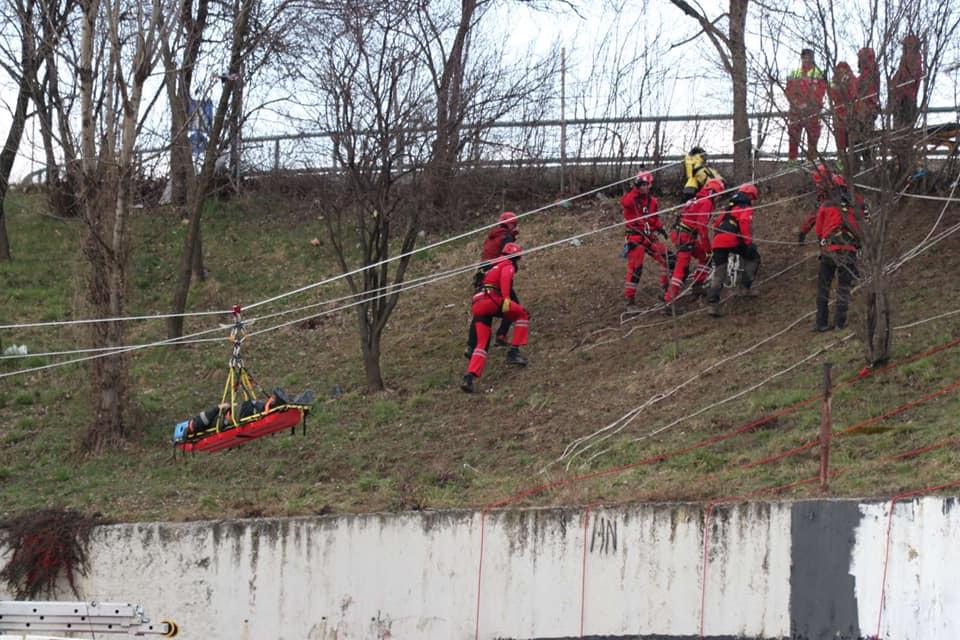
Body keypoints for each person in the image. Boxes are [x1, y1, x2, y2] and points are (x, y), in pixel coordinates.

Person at [462, 242, 529, 393]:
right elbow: (505, 280)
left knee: (482, 343)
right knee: (522, 314)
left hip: (478, 302)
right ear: (516, 256)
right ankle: (514, 352)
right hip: (491, 300)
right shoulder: (507, 264)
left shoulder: (493, 264)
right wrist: (506, 299)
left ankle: (469, 377)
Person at [664, 177, 725, 305]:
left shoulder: (698, 199)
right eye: (719, 195)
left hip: (683, 234)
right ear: (714, 192)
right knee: (682, 267)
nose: (719, 198)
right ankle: (669, 301)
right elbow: (702, 228)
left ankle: (697, 286)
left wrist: (706, 252)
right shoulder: (707, 202)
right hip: (684, 236)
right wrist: (708, 249)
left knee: (704, 257)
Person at [465, 211, 519, 356]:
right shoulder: (506, 237)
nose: (515, 227)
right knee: (514, 306)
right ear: (509, 223)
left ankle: (471, 346)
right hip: (496, 277)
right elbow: (508, 258)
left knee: (480, 311)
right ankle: (501, 336)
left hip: (482, 277)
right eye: (514, 224)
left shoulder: (491, 236)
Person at [813, 175, 862, 331]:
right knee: (843, 288)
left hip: (829, 252)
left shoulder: (825, 206)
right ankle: (840, 323)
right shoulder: (855, 206)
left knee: (823, 288)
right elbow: (862, 229)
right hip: (848, 253)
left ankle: (821, 323)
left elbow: (819, 230)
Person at [705, 183, 761, 315]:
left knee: (719, 273)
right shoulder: (745, 207)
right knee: (754, 257)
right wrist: (748, 243)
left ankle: (712, 305)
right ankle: (744, 288)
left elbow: (717, 224)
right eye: (752, 198)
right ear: (749, 196)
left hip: (718, 242)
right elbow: (744, 223)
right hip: (732, 240)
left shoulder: (728, 209)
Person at [621, 170, 673, 309]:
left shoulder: (652, 201)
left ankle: (666, 288)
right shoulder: (631, 199)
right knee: (636, 269)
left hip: (649, 237)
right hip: (635, 238)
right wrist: (634, 189)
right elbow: (625, 202)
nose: (644, 187)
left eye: (646, 184)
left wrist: (660, 227)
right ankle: (630, 301)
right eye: (641, 184)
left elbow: (654, 218)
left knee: (668, 259)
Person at [175, 389, 289, 439]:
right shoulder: (196, 424)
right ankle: (277, 403)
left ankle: (277, 404)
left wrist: (225, 408)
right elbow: (207, 417)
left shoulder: (199, 428)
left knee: (254, 406)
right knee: (254, 407)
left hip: (234, 415)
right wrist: (220, 407)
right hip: (236, 416)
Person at [785, 48, 827, 162]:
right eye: (804, 57)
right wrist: (796, 104)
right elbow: (788, 91)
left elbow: (821, 92)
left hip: (813, 111)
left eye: (809, 57)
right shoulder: (795, 73)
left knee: (813, 138)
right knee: (793, 137)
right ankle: (792, 161)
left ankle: (811, 162)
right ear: (801, 58)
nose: (806, 59)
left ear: (813, 58)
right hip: (796, 111)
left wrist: (809, 104)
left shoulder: (819, 73)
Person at [889, 34, 924, 131]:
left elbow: (910, 78)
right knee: (898, 132)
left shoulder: (915, 59)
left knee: (903, 133)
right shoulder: (905, 60)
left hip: (906, 100)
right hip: (899, 100)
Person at [854, 47, 880, 168]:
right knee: (863, 141)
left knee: (862, 141)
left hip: (866, 110)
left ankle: (867, 166)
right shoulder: (872, 72)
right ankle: (868, 165)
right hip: (866, 109)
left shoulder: (868, 73)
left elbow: (858, 89)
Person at [798, 163, 835, 243]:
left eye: (820, 183)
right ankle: (802, 234)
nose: (818, 185)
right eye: (817, 183)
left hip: (836, 206)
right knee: (814, 216)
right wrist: (803, 232)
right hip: (825, 202)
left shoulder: (836, 184)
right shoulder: (822, 189)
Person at [829, 62, 858, 158]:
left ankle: (851, 163)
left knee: (851, 141)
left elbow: (852, 94)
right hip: (838, 115)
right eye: (839, 69)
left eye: (843, 68)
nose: (841, 71)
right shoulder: (834, 81)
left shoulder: (852, 79)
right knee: (840, 142)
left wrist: (841, 89)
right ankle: (842, 162)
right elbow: (832, 95)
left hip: (850, 114)